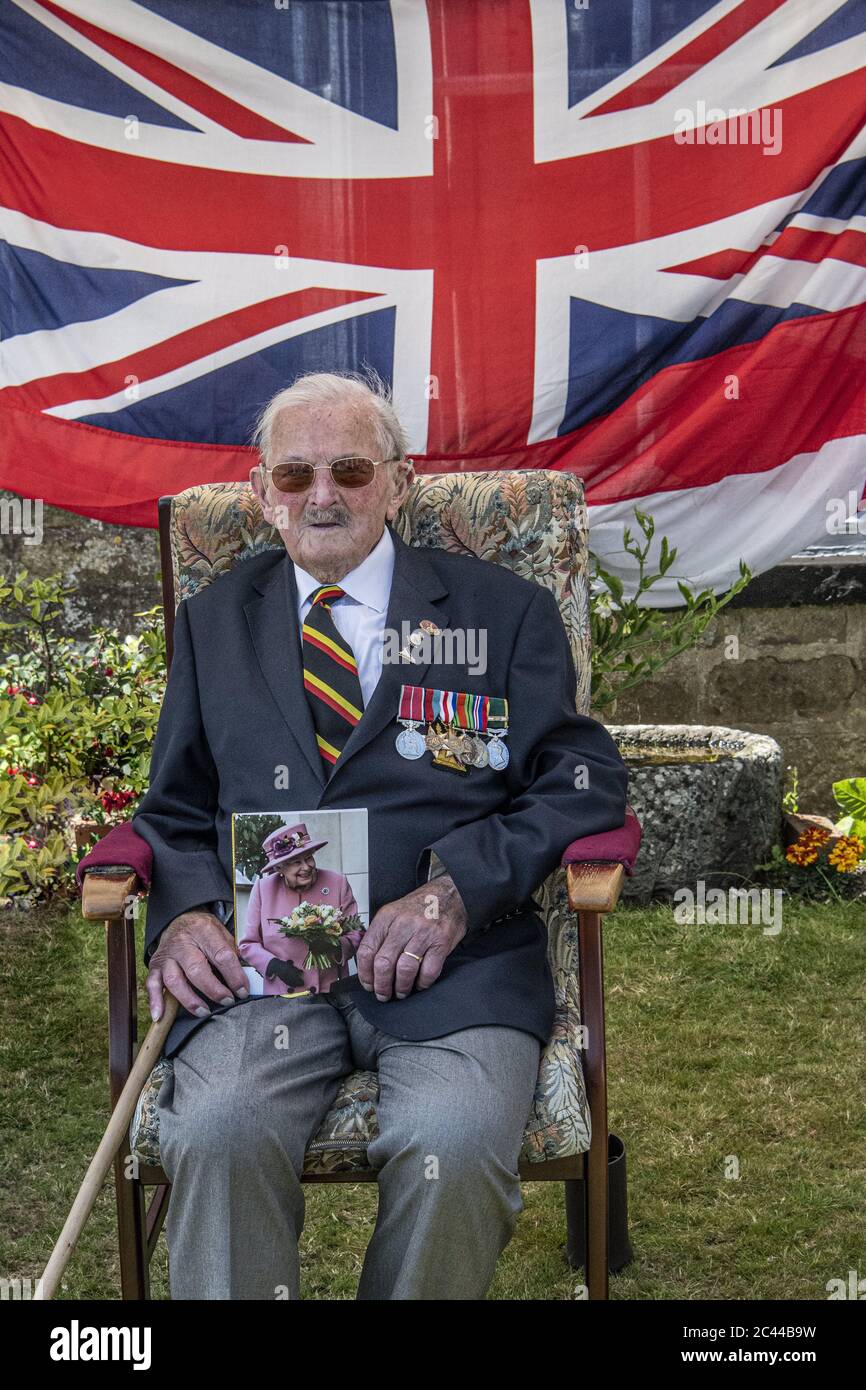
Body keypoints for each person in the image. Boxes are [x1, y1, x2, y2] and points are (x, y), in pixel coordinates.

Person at [132, 369, 629, 1300]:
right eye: (295, 476)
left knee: (450, 1145)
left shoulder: (496, 612)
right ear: (262, 494)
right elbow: (171, 808)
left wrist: (457, 890)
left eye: (351, 469)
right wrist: (186, 914)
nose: (323, 495)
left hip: (457, 969)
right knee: (218, 1131)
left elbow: (584, 780)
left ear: (399, 482)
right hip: (266, 977)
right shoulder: (213, 625)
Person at [238, 822, 363, 995]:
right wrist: (273, 965)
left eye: (309, 857)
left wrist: (334, 946)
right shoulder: (263, 889)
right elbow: (248, 945)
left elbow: (355, 932)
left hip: (331, 992)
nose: (306, 867)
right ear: (279, 867)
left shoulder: (337, 883)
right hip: (281, 993)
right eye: (296, 862)